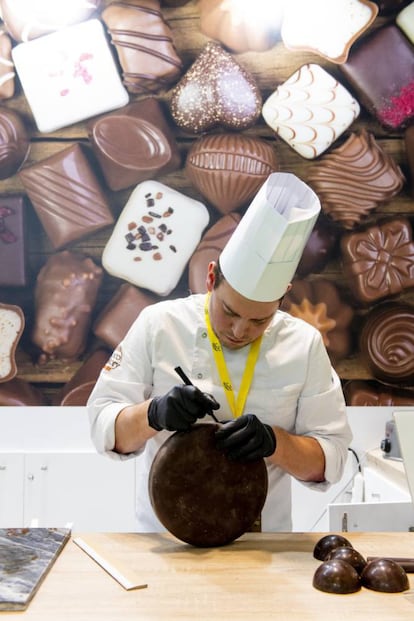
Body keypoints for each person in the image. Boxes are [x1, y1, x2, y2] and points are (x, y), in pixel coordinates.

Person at [87, 172, 352, 532]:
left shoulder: (304, 345)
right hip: (165, 540)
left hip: (263, 545)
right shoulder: (158, 323)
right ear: (211, 278)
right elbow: (105, 429)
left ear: (283, 296)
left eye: (260, 320)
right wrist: (155, 413)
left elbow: (330, 461)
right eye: (229, 312)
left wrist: (275, 443)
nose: (241, 330)